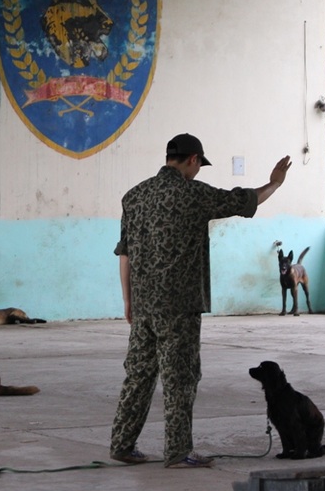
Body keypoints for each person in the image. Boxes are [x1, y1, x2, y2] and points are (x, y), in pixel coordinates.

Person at [110, 133, 292, 468]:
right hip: (179, 306)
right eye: (199, 165)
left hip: (144, 305)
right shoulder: (192, 194)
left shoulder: (133, 197)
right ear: (193, 159)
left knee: (138, 374)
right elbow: (244, 201)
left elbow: (125, 254)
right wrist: (274, 183)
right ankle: (179, 452)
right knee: (180, 378)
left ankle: (122, 444)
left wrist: (128, 301)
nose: (198, 172)